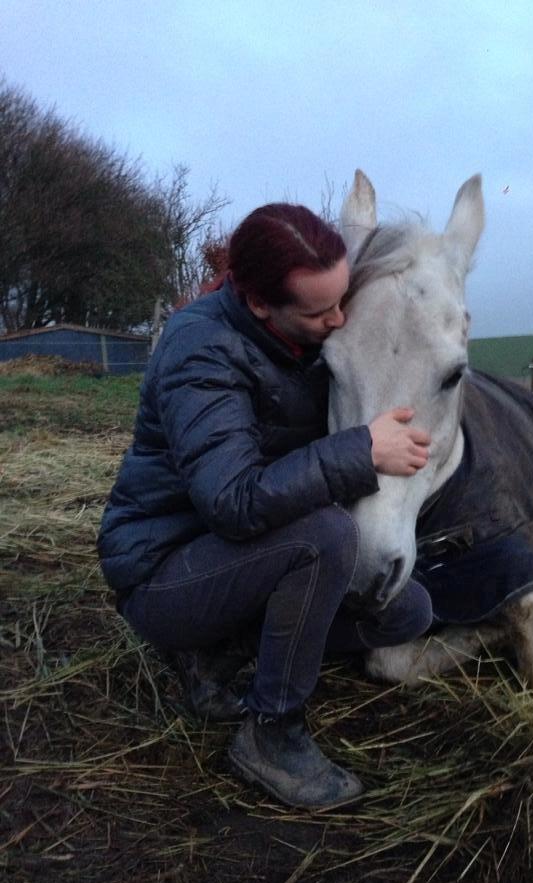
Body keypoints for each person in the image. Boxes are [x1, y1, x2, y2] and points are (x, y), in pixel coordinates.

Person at [97, 203, 434, 810]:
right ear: (259, 305)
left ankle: (223, 652)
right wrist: (361, 451)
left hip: (243, 558)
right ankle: (270, 732)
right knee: (325, 538)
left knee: (406, 611)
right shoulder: (199, 350)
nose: (339, 320)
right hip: (165, 569)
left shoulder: (304, 336)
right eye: (320, 310)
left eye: (342, 300)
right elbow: (234, 502)